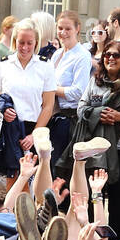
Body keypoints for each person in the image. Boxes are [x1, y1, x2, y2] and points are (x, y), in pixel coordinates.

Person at [69, 39, 120, 240]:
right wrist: (97, 113)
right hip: (97, 149)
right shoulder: (96, 81)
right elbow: (80, 108)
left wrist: (119, 117)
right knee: (96, 198)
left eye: (116, 55)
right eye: (107, 55)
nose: (110, 58)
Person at [0, 20, 54, 180]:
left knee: (34, 183)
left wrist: (34, 136)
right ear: (14, 41)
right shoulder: (3, 65)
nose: (25, 47)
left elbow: (48, 106)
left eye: (29, 43)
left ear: (36, 42)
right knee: (10, 181)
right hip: (8, 129)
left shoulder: (46, 66)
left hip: (35, 129)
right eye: (21, 42)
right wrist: (2, 111)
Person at [46, 10, 91, 172]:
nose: (63, 33)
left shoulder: (82, 56)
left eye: (68, 29)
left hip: (68, 119)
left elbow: (79, 91)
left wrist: (51, 89)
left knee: (61, 169)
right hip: (51, 116)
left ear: (77, 29)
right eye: (60, 28)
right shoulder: (57, 54)